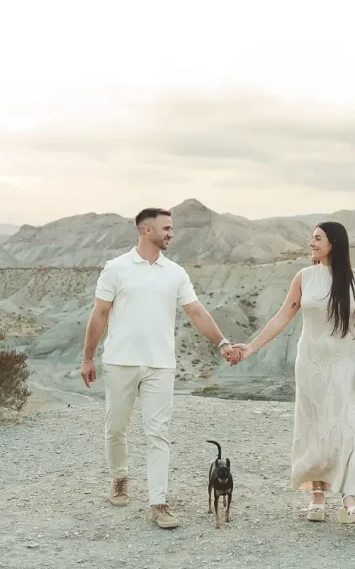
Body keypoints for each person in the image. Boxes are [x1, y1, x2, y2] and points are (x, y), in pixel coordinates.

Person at [80, 207, 237, 529]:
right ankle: (120, 478)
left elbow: (196, 312)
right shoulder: (116, 269)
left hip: (160, 365)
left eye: (172, 228)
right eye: (166, 228)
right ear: (145, 231)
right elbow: (99, 315)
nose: (171, 234)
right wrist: (87, 357)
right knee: (115, 428)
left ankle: (158, 502)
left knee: (158, 435)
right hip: (120, 361)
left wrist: (222, 343)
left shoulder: (175, 272)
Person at [230, 221, 355, 523]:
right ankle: (317, 495)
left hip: (346, 362)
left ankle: (350, 498)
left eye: (317, 238)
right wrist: (253, 347)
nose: (311, 243)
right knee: (314, 426)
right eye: (311, 238)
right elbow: (283, 315)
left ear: (334, 242)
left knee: (346, 427)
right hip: (310, 363)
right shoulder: (304, 277)